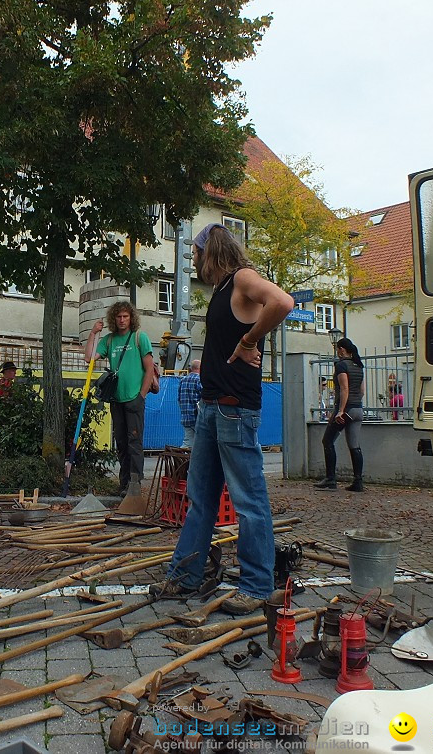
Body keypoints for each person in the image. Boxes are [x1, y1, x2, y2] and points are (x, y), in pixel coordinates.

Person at [150, 223, 293, 616]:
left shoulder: (244, 279)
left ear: (207, 250)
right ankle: (186, 576)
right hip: (212, 407)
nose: (192, 262)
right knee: (201, 501)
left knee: (249, 503)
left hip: (234, 407)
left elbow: (283, 302)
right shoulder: (221, 288)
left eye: (194, 254)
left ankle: (258, 586)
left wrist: (249, 341)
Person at [84, 301, 158, 496]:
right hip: (116, 400)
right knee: (122, 443)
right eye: (119, 317)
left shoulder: (139, 338)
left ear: (131, 318)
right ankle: (123, 484)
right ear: (113, 319)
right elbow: (89, 357)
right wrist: (92, 333)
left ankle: (135, 485)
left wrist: (141, 396)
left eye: (125, 316)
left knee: (135, 443)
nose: (122, 320)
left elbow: (149, 368)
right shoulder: (108, 340)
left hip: (134, 398)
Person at [316, 337, 366, 492]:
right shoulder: (359, 366)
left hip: (346, 410)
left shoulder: (341, 365)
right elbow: (362, 391)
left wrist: (341, 411)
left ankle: (331, 479)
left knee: (327, 441)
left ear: (342, 350)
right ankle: (358, 482)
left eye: (338, 349)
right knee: (354, 445)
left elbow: (344, 389)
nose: (337, 352)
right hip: (358, 410)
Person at [178, 359, 202, 448]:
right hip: (198, 418)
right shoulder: (199, 380)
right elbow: (204, 397)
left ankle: (181, 460)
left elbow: (179, 399)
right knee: (201, 444)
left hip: (186, 417)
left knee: (188, 442)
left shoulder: (183, 380)